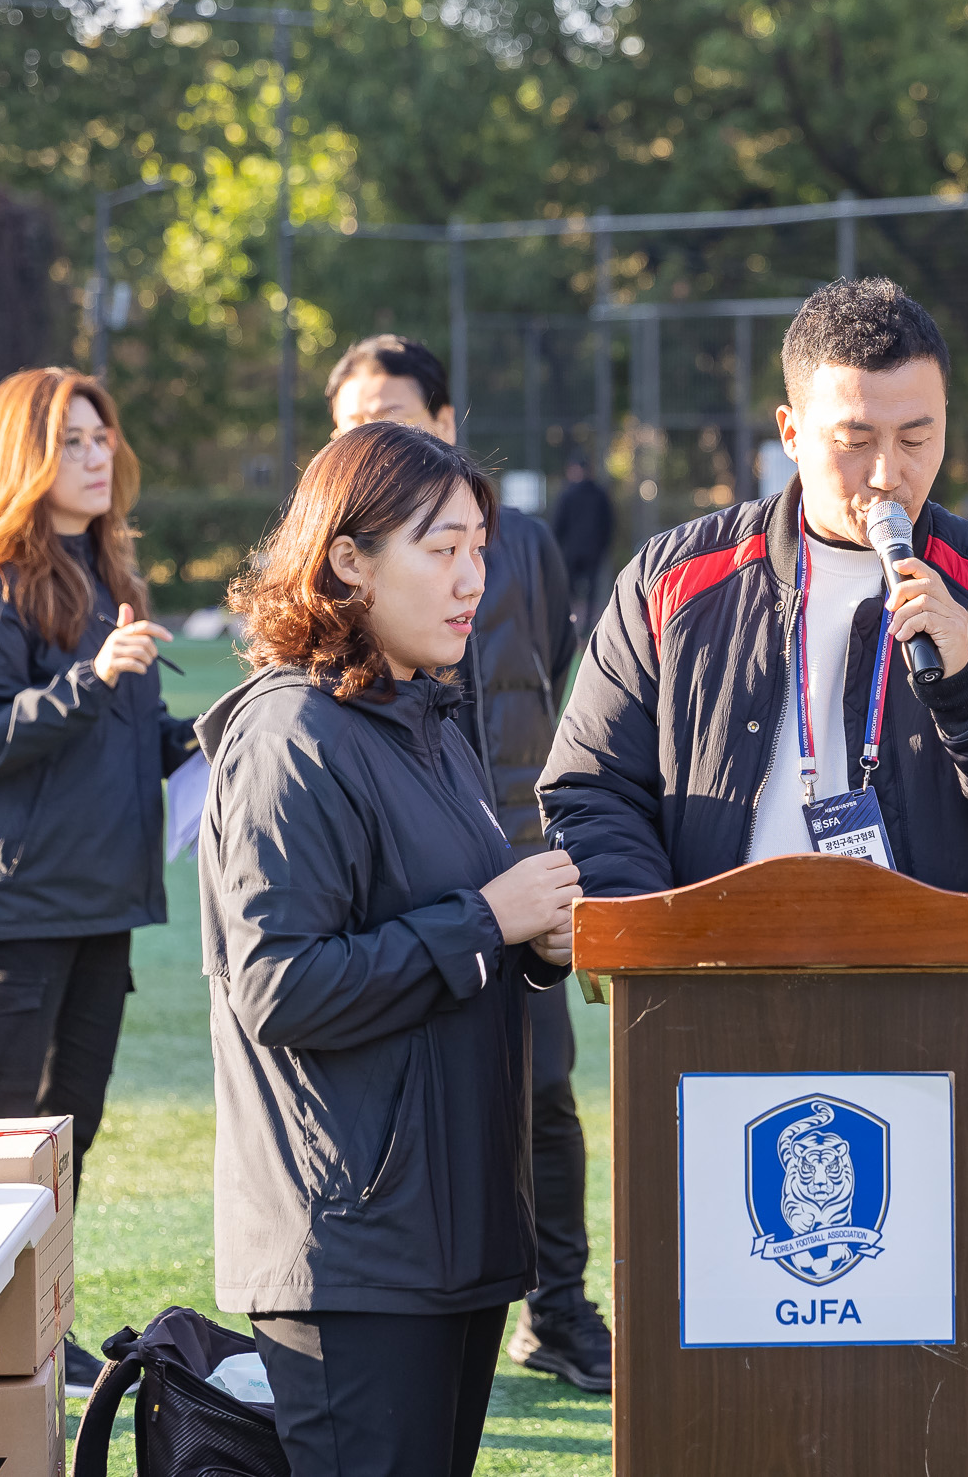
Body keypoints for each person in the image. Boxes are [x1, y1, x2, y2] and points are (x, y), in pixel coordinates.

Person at [199, 422, 582, 1477]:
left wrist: (536, 939)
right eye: (440, 547)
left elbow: (468, 930)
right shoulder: (291, 738)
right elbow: (279, 985)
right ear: (348, 560)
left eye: (477, 546)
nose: (472, 578)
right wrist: (486, 920)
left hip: (452, 1237)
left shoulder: (428, 718)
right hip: (355, 1254)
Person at [539, 272, 968, 908]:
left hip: (935, 994)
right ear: (791, 433)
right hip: (709, 987)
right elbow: (590, 790)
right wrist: (665, 944)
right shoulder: (672, 580)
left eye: (915, 439)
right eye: (854, 441)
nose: (888, 473)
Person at [323, 334, 608, 1391]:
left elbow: (557, 687)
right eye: (352, 420)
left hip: (517, 858)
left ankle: (561, 1308)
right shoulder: (323, 613)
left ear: (445, 423)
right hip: (411, 871)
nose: (371, 434)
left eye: (392, 413)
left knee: (541, 1094)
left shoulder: (520, 545)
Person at [0, 367, 196, 1394]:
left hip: (106, 899)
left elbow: (122, 740)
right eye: (73, 439)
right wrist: (95, 679)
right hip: (19, 908)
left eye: (101, 437)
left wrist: (208, 735)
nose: (96, 454)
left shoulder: (109, 572)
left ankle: (40, 1328)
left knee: (66, 1133)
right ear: (25, 456)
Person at [550, 454, 615, 631]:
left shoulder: (568, 493)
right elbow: (608, 523)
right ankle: (585, 626)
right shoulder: (599, 493)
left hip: (572, 551)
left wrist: (557, 547)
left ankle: (570, 625)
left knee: (570, 589)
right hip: (592, 551)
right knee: (590, 591)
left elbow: (558, 524)